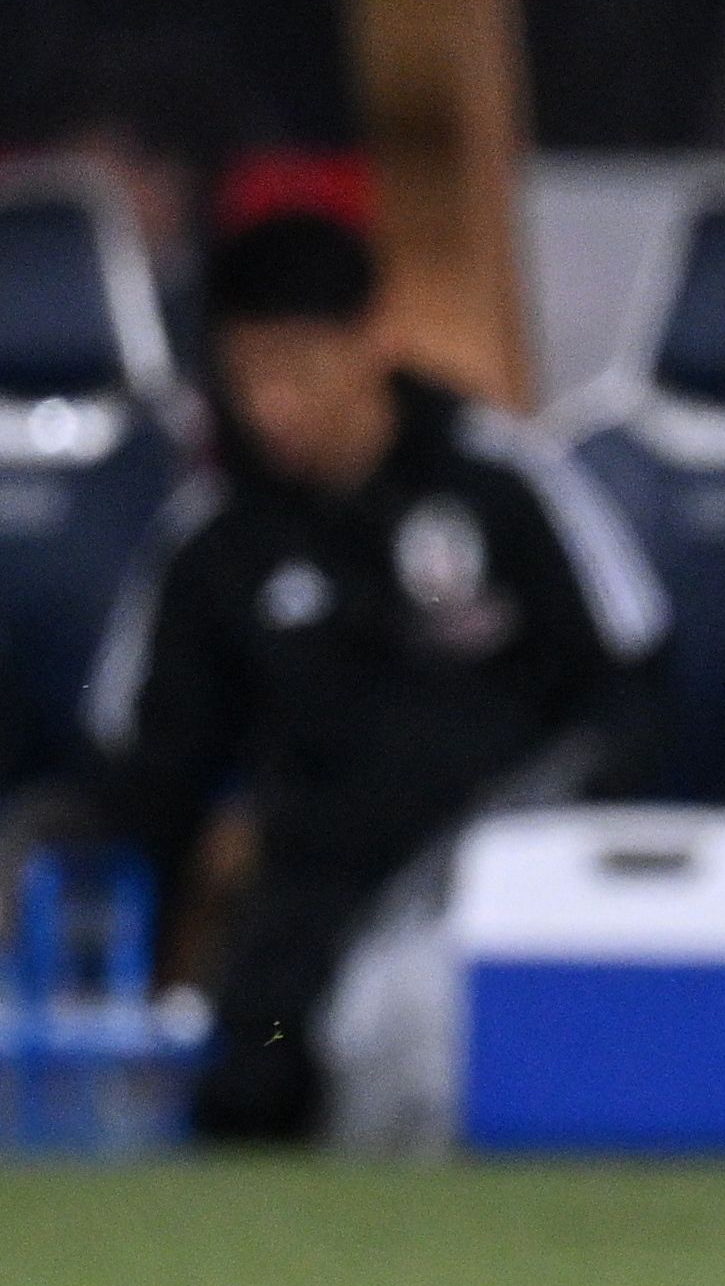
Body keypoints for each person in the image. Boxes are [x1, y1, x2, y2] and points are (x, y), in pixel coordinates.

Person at [81, 214, 668, 1140]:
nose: (272, 405)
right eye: (248, 376)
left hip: (491, 889)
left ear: (373, 340)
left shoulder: (502, 483)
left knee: (422, 1039)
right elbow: (149, 764)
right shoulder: (216, 539)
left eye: (298, 369)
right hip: (305, 900)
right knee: (250, 1097)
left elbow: (630, 690)